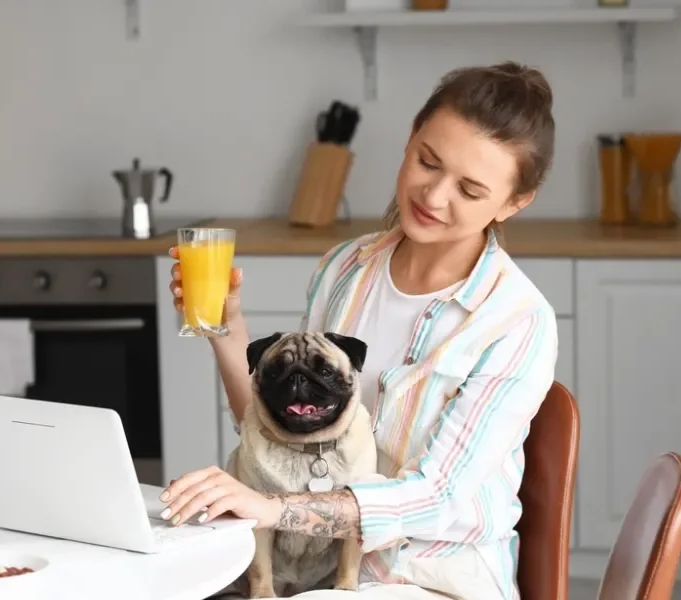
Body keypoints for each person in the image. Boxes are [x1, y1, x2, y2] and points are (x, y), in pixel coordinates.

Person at [163, 61, 558, 600]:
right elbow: (283, 425)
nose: (435, 196)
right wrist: (227, 327)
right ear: (410, 139)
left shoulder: (514, 321)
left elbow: (437, 497)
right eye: (427, 161)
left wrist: (274, 509)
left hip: (429, 578)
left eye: (469, 189)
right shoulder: (346, 268)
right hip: (314, 569)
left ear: (514, 202)